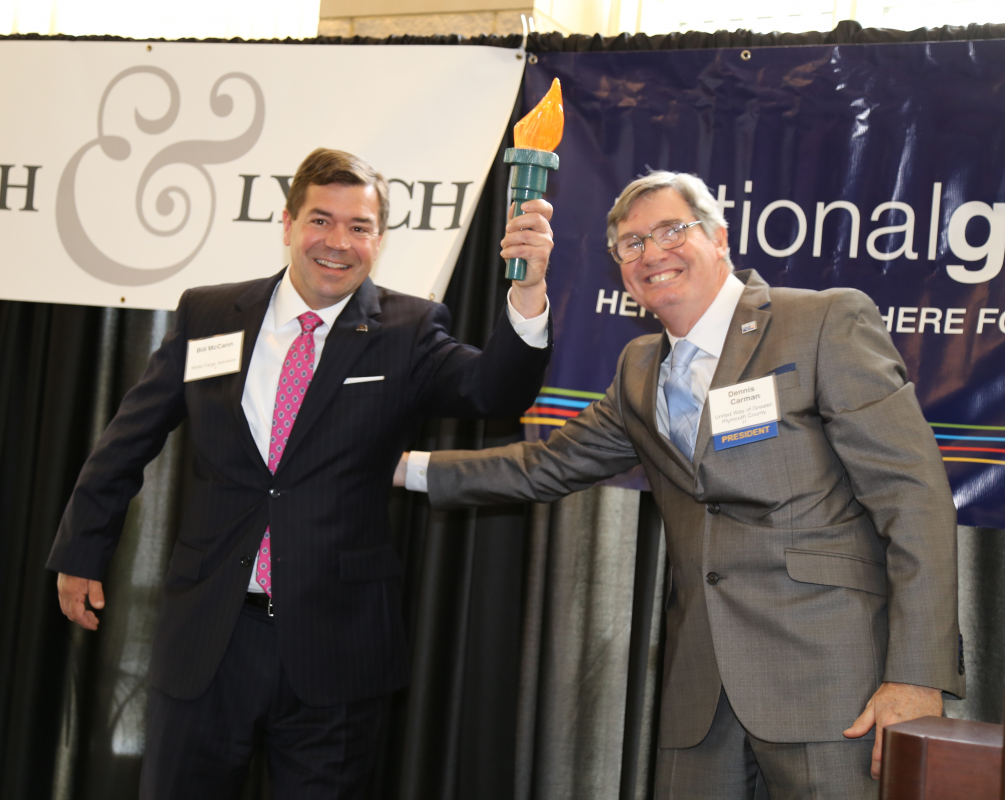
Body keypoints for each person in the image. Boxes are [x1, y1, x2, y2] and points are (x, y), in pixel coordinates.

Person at [397, 171, 963, 799]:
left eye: (671, 230)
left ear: (720, 237)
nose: (652, 253)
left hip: (835, 686)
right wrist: (395, 466)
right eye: (631, 244)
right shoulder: (638, 368)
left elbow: (913, 499)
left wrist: (916, 675)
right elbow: (544, 465)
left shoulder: (823, 321)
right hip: (701, 697)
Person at [46, 147, 554, 799]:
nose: (338, 242)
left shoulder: (408, 329)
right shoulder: (208, 314)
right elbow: (127, 439)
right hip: (211, 635)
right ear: (287, 223)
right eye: (321, 220)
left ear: (380, 238)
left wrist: (528, 287)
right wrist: (82, 550)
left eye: (359, 226)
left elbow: (495, 393)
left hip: (337, 648)